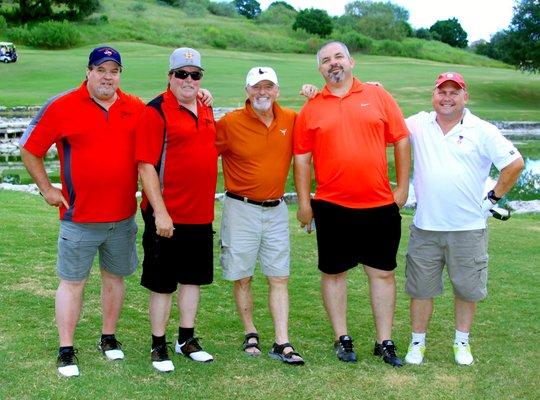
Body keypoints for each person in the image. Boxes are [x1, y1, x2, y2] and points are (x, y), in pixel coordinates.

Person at [19, 46, 145, 377]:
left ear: (120, 74)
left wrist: (200, 94)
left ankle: (108, 338)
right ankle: (66, 349)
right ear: (88, 71)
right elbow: (30, 149)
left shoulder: (134, 107)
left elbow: (163, 123)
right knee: (72, 283)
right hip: (79, 219)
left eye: (114, 70)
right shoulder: (63, 105)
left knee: (114, 279)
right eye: (101, 69)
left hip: (121, 218)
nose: (108, 76)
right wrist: (47, 189)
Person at [293, 41, 410, 367]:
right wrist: (305, 203)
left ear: (351, 61)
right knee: (334, 274)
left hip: (378, 205)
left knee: (383, 274)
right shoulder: (312, 106)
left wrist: (402, 186)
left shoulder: (378, 96)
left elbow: (401, 139)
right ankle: (341, 337)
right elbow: (301, 160)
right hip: (332, 206)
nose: (333, 63)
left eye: (338, 56)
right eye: (326, 60)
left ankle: (384, 340)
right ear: (320, 69)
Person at [403, 72, 524, 366]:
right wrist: (373, 90)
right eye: (441, 91)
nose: (447, 97)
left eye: (453, 92)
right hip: (426, 227)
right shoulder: (418, 123)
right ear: (433, 96)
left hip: (468, 229)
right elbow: (381, 123)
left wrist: (493, 198)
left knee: (467, 290)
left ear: (465, 97)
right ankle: (417, 343)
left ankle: (461, 342)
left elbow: (514, 163)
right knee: (421, 289)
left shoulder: (481, 129)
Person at [135, 47, 217, 373]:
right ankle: (158, 344)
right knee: (163, 283)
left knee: (192, 280)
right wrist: (161, 212)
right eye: (181, 74)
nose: (188, 79)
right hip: (167, 215)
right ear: (169, 76)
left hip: (200, 214)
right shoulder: (155, 111)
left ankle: (186, 339)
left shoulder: (206, 107)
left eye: (194, 74)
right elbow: (145, 167)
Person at [216, 67, 304, 365]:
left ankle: (282, 341)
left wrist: (316, 96)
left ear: (277, 91)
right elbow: (200, 149)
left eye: (268, 86)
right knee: (242, 276)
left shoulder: (291, 119)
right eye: (256, 87)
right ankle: (250, 330)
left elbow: (322, 123)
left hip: (276, 209)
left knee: (279, 275)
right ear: (247, 91)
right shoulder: (229, 122)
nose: (262, 92)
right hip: (240, 208)